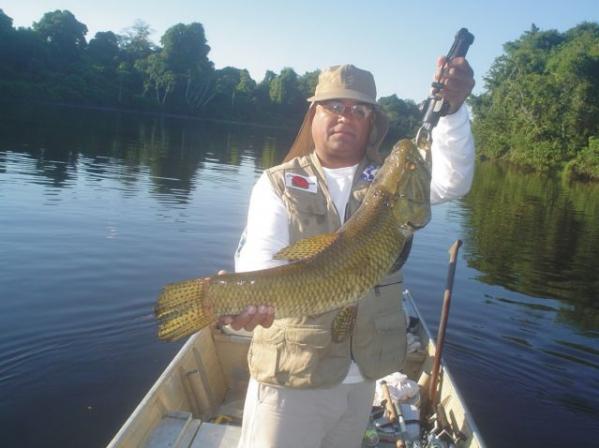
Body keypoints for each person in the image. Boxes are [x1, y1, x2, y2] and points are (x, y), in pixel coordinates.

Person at [225, 58, 475, 448]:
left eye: (359, 110)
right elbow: (259, 260)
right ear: (314, 115)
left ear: (372, 122)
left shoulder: (396, 183)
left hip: (363, 381)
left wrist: (454, 110)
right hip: (293, 378)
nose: (346, 116)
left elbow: (453, 181)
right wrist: (243, 298)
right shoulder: (277, 184)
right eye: (335, 106)